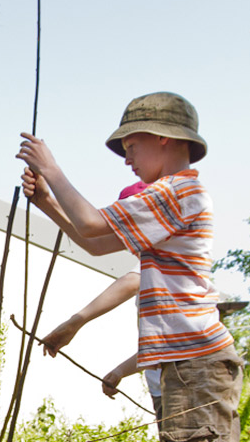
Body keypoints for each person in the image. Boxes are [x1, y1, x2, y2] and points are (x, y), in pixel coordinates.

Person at [17, 91, 244, 442]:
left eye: (130, 146)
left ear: (162, 138)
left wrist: (52, 169)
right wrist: (47, 200)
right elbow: (97, 244)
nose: (126, 159)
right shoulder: (176, 195)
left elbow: (90, 224)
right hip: (196, 369)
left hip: (194, 368)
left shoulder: (179, 190)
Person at [40, 181, 164, 424]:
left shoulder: (162, 257)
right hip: (164, 390)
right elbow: (159, 347)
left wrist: (75, 322)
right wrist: (46, 201)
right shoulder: (152, 265)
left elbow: (131, 281)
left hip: (184, 387)